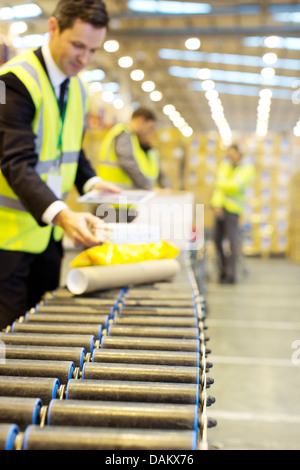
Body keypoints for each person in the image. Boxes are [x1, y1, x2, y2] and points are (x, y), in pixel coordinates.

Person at [0, 0, 120, 330]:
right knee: (7, 348)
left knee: (40, 336)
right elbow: (14, 163)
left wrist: (92, 183)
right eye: (78, 45)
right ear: (53, 28)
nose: (84, 58)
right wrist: (64, 215)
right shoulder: (12, 82)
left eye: (93, 50)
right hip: (6, 245)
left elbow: (71, 150)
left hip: (48, 239)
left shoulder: (78, 88)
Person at [211, 144, 255, 284]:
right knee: (216, 241)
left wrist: (222, 183)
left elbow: (235, 185)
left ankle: (231, 274)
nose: (230, 156)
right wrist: (216, 204)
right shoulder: (225, 165)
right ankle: (223, 270)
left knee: (232, 242)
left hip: (233, 210)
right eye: (229, 153)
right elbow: (219, 187)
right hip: (220, 208)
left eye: (233, 153)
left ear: (239, 154)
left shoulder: (247, 168)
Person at [97, 107, 171, 191]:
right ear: (140, 120)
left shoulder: (134, 139)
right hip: (113, 195)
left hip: (122, 196)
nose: (150, 131)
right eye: (150, 127)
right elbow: (127, 162)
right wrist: (148, 187)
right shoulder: (124, 134)